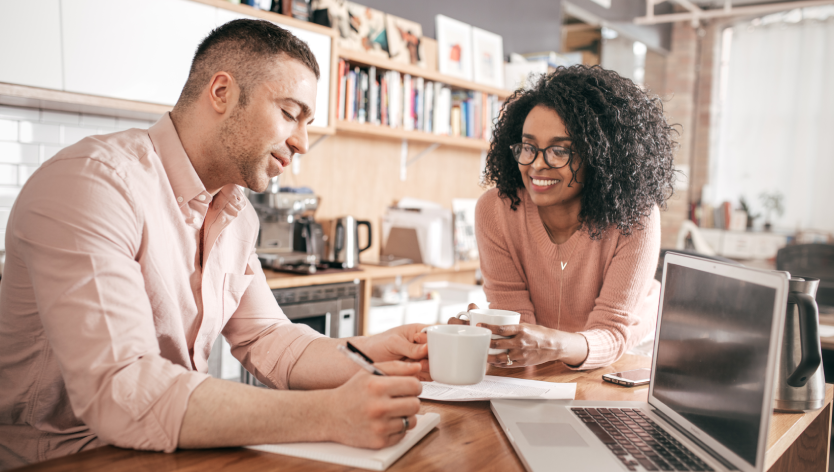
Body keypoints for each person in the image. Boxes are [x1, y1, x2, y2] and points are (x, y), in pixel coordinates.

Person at [0, 19, 430, 469]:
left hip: (171, 449)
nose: (302, 143)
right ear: (222, 93)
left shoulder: (236, 212)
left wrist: (381, 350)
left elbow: (269, 339)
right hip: (61, 459)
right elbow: (121, 390)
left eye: (307, 123)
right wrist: (328, 414)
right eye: (289, 114)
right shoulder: (93, 183)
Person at [450, 66, 676, 370]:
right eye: (528, 147)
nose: (537, 165)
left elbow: (611, 332)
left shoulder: (636, 218)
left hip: (627, 355)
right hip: (544, 355)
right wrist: (495, 336)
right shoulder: (496, 211)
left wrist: (549, 345)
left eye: (559, 151)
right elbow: (517, 325)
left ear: (600, 156)